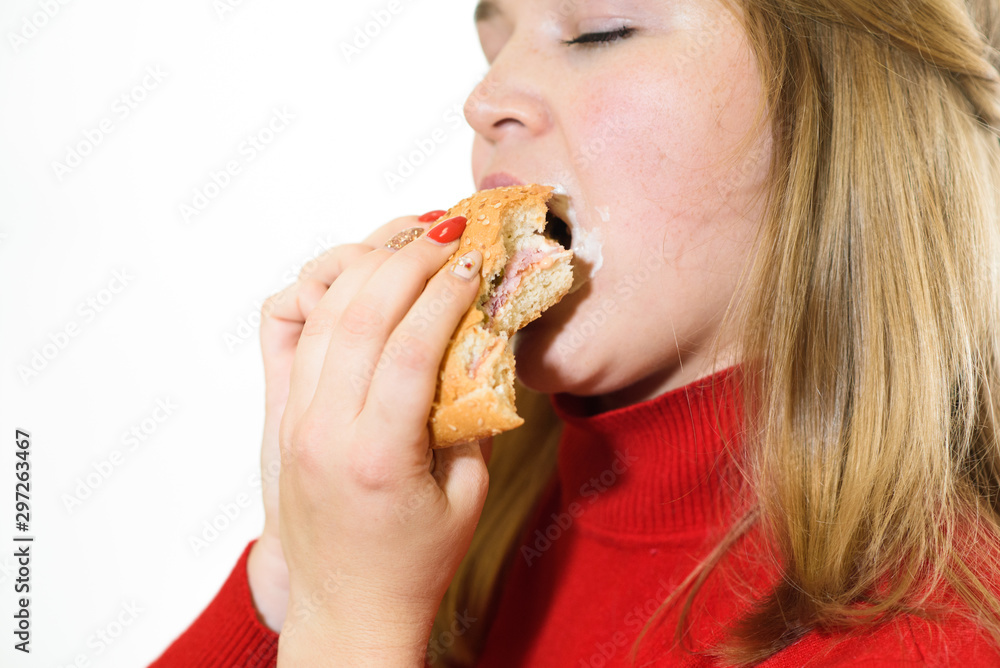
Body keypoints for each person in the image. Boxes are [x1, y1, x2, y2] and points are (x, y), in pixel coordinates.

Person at [150, 0, 1000, 665]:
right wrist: (298, 571)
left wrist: (353, 629)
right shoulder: (459, 517)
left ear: (844, 110)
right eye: (495, 46)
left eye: (598, 30)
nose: (484, 102)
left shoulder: (936, 637)